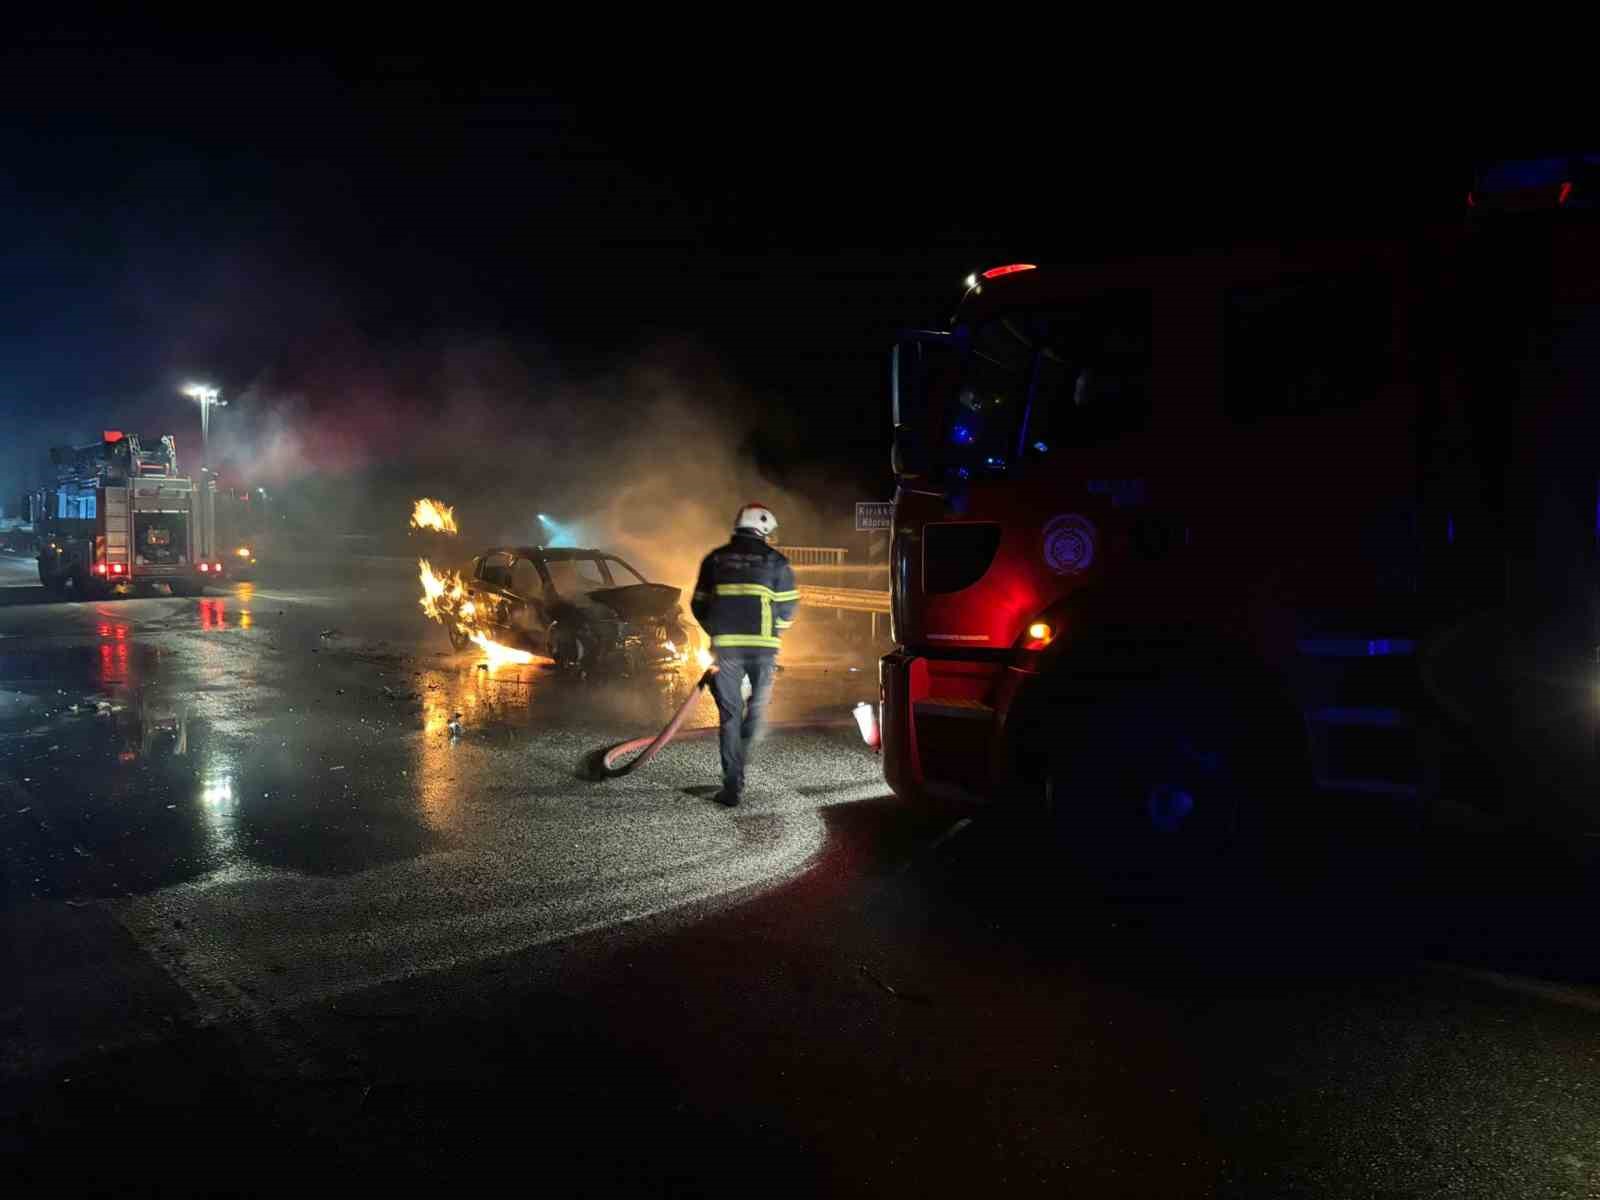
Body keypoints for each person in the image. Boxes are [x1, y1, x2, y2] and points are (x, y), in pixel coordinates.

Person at [690, 503, 798, 807]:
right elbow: (789, 606)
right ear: (763, 530)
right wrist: (776, 630)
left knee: (729, 718)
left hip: (726, 650)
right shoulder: (776, 561)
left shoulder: (714, 559)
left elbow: (698, 604)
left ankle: (732, 786)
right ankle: (752, 731)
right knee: (757, 708)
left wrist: (716, 630)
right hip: (763, 650)